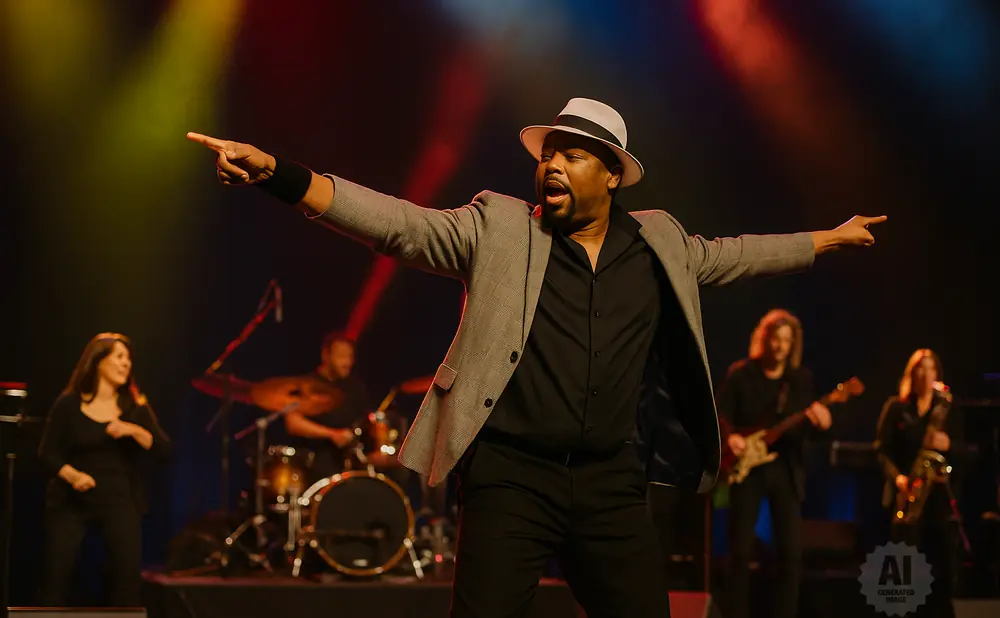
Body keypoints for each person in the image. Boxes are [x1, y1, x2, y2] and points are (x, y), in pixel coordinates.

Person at [187, 97, 885, 617]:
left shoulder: (658, 243)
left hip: (611, 484)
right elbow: (395, 222)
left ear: (612, 175)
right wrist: (277, 173)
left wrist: (826, 238)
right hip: (510, 479)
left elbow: (736, 255)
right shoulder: (496, 227)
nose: (550, 164)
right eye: (547, 154)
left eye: (571, 155)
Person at [38, 333, 171, 606]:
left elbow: (163, 449)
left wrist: (132, 430)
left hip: (119, 500)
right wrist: (72, 475)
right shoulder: (69, 404)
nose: (126, 364)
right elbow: (47, 452)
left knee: (125, 580)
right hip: (72, 501)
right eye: (119, 357)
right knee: (56, 576)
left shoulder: (134, 408)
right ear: (98, 361)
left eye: (129, 359)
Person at [716, 309, 832, 618]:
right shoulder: (741, 374)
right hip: (747, 468)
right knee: (739, 552)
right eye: (775, 339)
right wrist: (731, 439)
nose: (780, 347)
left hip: (785, 468)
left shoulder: (800, 380)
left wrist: (822, 424)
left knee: (791, 555)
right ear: (763, 339)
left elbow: (807, 431)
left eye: (786, 341)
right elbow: (721, 414)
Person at [875, 349, 961, 618]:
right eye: (920, 368)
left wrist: (949, 445)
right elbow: (881, 449)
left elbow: (969, 451)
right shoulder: (896, 407)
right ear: (912, 374)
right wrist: (898, 477)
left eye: (930, 368)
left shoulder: (945, 410)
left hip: (938, 500)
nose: (925, 374)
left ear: (937, 374)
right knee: (903, 575)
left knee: (942, 571)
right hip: (906, 496)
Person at [279, 331, 371, 481]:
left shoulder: (356, 387)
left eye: (350, 357)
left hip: (349, 462)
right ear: (325, 356)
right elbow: (293, 422)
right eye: (341, 356)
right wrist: (332, 434)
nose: (347, 362)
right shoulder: (307, 385)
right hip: (313, 462)